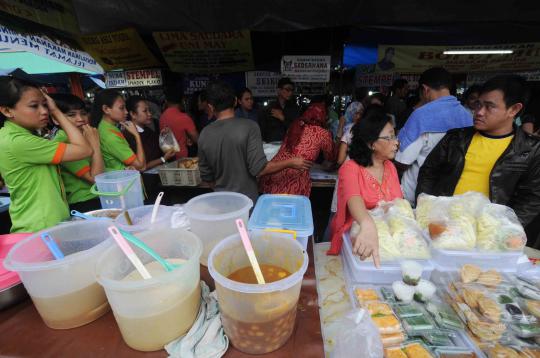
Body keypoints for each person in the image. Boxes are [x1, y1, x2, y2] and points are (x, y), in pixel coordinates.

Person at [416, 75, 540, 246]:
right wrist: (427, 214)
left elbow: (532, 198)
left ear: (514, 110)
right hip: (443, 229)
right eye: (478, 104)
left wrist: (502, 231)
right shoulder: (455, 138)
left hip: (489, 235)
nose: (479, 112)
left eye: (490, 107)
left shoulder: (531, 150)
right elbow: (428, 173)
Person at [0, 77, 92, 232]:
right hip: (41, 226)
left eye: (45, 105)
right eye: (34, 106)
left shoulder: (12, 135)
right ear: (7, 111)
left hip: (43, 223)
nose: (44, 111)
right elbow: (84, 149)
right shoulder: (18, 141)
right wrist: (56, 111)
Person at [198, 81, 312, 204]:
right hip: (247, 202)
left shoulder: (205, 133)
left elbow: (206, 176)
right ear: (236, 101)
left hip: (220, 202)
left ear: (210, 107)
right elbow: (259, 169)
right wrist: (290, 162)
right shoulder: (249, 127)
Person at [327, 107, 402, 267]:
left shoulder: (390, 167)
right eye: (389, 138)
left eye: (394, 136)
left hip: (385, 241)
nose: (396, 142)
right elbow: (354, 199)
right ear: (371, 143)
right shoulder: (350, 168)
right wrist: (367, 223)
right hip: (355, 239)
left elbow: (396, 205)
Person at [395, 67, 472, 205]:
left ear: (425, 90)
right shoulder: (467, 116)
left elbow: (403, 161)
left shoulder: (421, 115)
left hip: (417, 194)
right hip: (453, 195)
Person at [259, 103, 336, 196]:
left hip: (273, 172)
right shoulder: (323, 133)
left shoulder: (295, 126)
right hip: (293, 179)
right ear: (324, 117)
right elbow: (332, 157)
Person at [50, 93, 104, 212]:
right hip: (84, 202)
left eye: (83, 113)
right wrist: (95, 145)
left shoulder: (81, 136)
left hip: (96, 197)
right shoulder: (63, 142)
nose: (80, 119)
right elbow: (96, 179)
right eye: (71, 115)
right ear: (56, 119)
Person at [91, 89, 146, 172]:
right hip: (123, 183)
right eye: (121, 108)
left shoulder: (106, 127)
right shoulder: (110, 135)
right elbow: (140, 165)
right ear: (106, 109)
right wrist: (137, 135)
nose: (126, 112)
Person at [125, 96, 176, 170]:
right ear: (133, 114)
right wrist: (163, 159)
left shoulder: (149, 131)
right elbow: (141, 166)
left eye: (149, 110)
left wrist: (164, 138)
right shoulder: (128, 136)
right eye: (145, 111)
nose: (149, 114)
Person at [258, 77, 301, 142]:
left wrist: (283, 118)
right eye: (287, 89)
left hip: (289, 146)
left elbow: (297, 130)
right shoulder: (269, 108)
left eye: (292, 90)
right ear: (279, 90)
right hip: (271, 148)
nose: (290, 93)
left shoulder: (295, 109)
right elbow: (262, 130)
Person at [159, 88, 198, 159]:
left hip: (168, 156)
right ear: (182, 101)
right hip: (183, 156)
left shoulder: (162, 117)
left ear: (166, 101)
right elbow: (196, 139)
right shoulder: (184, 117)